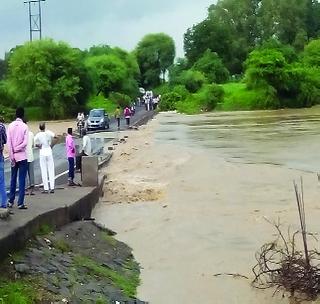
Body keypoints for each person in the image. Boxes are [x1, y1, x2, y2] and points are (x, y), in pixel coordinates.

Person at [7, 107, 28, 210]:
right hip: (22, 156)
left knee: (13, 179)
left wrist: (12, 154)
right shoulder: (24, 126)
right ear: (23, 115)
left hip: (13, 156)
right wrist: (18, 148)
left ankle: (11, 201)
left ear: (15, 115)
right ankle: (20, 203)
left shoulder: (10, 126)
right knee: (22, 179)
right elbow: (25, 143)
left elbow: (9, 143)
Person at [34, 122, 55, 194]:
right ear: (45, 127)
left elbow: (34, 143)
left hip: (42, 151)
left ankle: (46, 188)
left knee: (43, 170)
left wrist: (38, 146)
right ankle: (52, 187)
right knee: (51, 169)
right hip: (49, 150)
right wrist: (52, 145)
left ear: (39, 128)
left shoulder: (38, 135)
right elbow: (56, 137)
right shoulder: (48, 132)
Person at [24, 120, 35, 195]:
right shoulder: (31, 134)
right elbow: (33, 145)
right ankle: (32, 187)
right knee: (31, 173)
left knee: (24, 173)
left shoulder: (22, 134)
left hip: (24, 156)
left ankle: (25, 188)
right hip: (30, 155)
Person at [0, 116, 7, 209]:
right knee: (1, 180)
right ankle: (3, 203)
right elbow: (5, 140)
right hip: (0, 156)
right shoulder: (1, 126)